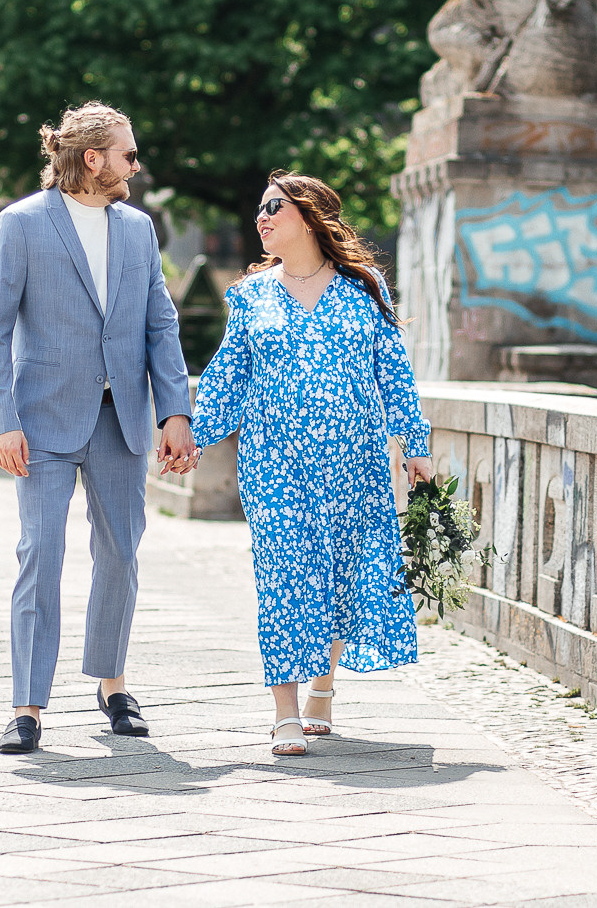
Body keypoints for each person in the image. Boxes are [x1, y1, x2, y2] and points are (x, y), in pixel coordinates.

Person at [0, 101, 199, 755]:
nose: (137, 163)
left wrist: (174, 410)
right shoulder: (19, 224)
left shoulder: (137, 229)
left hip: (121, 417)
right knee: (40, 554)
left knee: (121, 553)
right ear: (92, 157)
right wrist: (2, 421)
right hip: (40, 420)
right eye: (128, 153)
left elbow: (161, 323)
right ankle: (27, 706)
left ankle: (111, 682)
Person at [184, 172, 433, 757]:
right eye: (259, 210)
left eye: (274, 207)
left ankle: (323, 690)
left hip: (356, 464)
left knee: (343, 578)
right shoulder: (250, 296)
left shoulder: (364, 285)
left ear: (310, 214)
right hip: (275, 466)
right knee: (284, 581)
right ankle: (286, 714)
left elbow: (392, 372)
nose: (262, 219)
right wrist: (191, 436)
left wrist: (414, 445)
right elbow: (228, 377)